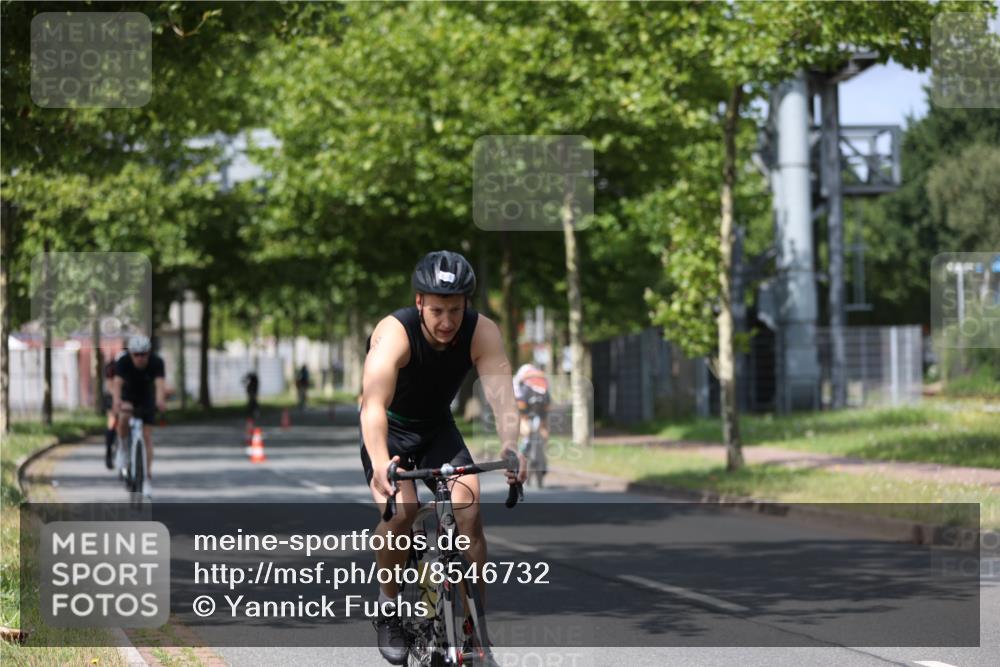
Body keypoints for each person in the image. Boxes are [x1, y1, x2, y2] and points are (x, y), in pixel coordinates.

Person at [360, 250, 526, 665]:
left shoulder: (481, 331)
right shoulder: (395, 332)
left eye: (455, 310)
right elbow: (372, 404)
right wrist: (380, 462)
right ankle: (388, 607)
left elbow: (502, 397)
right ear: (420, 302)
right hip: (390, 430)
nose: (447, 321)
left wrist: (511, 445)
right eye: (437, 310)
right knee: (402, 512)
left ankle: (472, 628)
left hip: (436, 426)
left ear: (466, 303)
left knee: (468, 507)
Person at [112, 334, 166, 498]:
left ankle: (147, 479)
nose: (140, 358)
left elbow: (160, 384)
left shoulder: (157, 362)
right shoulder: (123, 362)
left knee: (147, 437)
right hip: (128, 396)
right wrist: (117, 402)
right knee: (123, 418)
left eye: (143, 354)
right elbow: (117, 384)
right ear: (131, 354)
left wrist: (160, 401)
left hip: (146, 398)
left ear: (149, 353)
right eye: (136, 354)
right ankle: (122, 448)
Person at [512, 363, 551, 474]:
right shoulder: (540, 376)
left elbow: (516, 394)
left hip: (526, 398)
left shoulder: (520, 376)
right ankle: (542, 455)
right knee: (543, 425)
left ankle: (524, 447)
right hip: (543, 399)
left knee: (523, 422)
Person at [103, 357, 118, 470]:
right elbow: (109, 386)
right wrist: (117, 399)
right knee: (112, 422)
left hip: (129, 396)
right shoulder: (112, 366)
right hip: (112, 396)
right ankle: (108, 452)